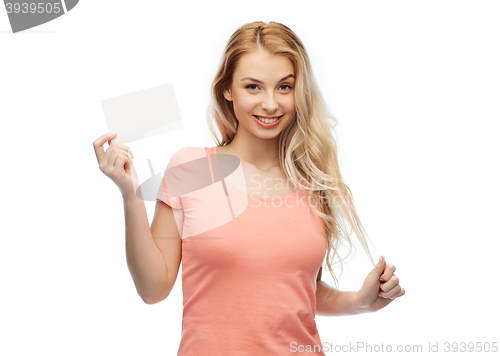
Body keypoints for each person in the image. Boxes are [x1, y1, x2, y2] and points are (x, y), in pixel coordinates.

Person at [93, 21, 405, 355]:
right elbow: (152, 288)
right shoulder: (192, 169)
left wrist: (361, 301)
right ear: (228, 89)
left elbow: (295, 289)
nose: (270, 104)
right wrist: (129, 194)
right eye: (253, 87)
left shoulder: (312, 182)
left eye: (284, 87)